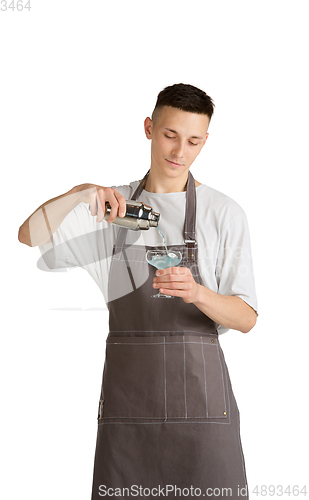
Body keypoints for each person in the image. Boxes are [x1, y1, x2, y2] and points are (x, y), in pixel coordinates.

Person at [18, 83, 258, 499]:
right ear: (149, 128)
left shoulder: (224, 213)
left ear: (205, 142)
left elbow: (247, 318)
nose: (180, 151)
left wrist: (198, 292)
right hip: (129, 414)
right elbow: (28, 235)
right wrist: (80, 193)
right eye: (170, 135)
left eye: (193, 141)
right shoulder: (112, 206)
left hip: (203, 413)